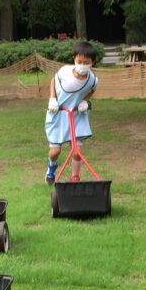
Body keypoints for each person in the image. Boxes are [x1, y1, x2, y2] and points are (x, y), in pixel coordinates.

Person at [45, 42, 98, 185]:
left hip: (76, 115)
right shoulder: (64, 72)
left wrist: (85, 101)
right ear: (74, 58)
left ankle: (75, 177)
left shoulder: (92, 79)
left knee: (76, 151)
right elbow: (53, 81)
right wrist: (52, 99)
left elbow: (93, 89)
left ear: (92, 62)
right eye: (79, 61)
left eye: (86, 62)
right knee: (55, 151)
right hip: (58, 113)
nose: (82, 65)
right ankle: (51, 167)